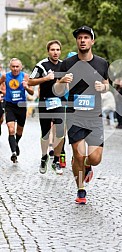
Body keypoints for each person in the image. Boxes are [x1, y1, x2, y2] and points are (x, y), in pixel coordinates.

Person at [54, 25, 109, 204]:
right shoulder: (67, 64)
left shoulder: (102, 63)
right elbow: (57, 90)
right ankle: (81, 190)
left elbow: (106, 84)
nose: (82, 40)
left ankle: (87, 166)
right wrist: (61, 81)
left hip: (95, 117)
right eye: (80, 38)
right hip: (75, 116)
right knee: (79, 154)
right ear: (77, 41)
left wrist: (104, 87)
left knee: (94, 158)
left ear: (92, 41)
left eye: (86, 37)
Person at [28, 40, 66, 175]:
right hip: (45, 103)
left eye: (57, 50)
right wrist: (45, 78)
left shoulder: (63, 65)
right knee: (45, 133)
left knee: (60, 132)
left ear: (60, 51)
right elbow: (30, 81)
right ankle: (44, 157)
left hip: (59, 102)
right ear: (48, 51)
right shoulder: (41, 65)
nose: (55, 52)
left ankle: (56, 160)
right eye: (52, 50)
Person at [0, 58, 34, 163]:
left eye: (17, 66)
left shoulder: (25, 76)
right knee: (11, 130)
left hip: (21, 106)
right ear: (10, 67)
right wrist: (2, 93)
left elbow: (32, 92)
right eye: (13, 66)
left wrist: (26, 87)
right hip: (9, 105)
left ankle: (16, 143)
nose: (15, 69)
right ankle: (13, 152)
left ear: (21, 67)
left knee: (20, 131)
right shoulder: (5, 76)